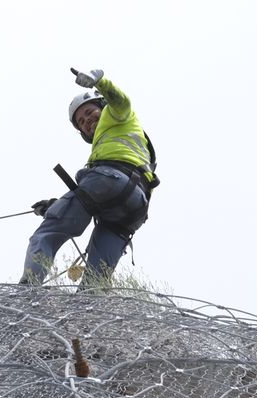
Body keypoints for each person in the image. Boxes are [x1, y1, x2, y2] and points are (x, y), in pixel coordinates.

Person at [20, 68, 157, 287]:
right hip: (135, 205)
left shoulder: (118, 114)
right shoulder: (120, 139)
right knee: (97, 277)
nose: (87, 120)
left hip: (110, 179)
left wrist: (100, 82)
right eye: (81, 122)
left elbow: (120, 100)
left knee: (46, 233)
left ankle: (27, 290)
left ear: (103, 106)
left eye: (89, 112)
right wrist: (56, 205)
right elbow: (87, 200)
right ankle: (89, 309)